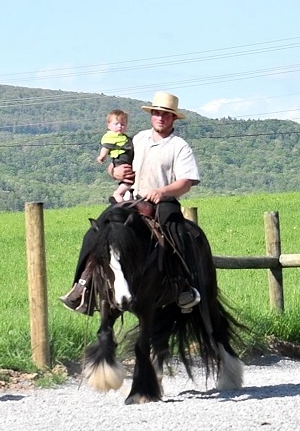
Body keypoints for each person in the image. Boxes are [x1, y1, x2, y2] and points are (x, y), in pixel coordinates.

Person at [60, 91, 201, 314]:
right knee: (97, 231)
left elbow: (186, 182)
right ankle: (82, 287)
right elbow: (118, 162)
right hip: (131, 200)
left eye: (165, 114)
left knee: (179, 234)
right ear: (151, 115)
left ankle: (184, 286)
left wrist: (162, 191)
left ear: (173, 118)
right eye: (156, 113)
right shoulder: (137, 139)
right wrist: (114, 172)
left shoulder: (179, 146)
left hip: (162, 202)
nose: (160, 118)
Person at [96, 109, 133, 203]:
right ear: (109, 125)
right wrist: (102, 156)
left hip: (128, 162)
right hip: (120, 161)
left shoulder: (125, 138)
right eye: (116, 124)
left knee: (129, 181)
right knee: (127, 181)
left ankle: (123, 197)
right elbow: (106, 147)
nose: (120, 126)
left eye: (122, 124)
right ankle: (119, 198)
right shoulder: (110, 137)